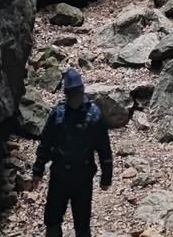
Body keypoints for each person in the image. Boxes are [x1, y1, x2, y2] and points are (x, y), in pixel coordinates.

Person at [32, 68, 112, 237]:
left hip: (83, 178)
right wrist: (38, 170)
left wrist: (106, 176)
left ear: (82, 93)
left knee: (82, 223)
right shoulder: (58, 114)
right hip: (59, 176)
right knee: (52, 219)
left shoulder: (94, 116)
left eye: (76, 95)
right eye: (70, 96)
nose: (74, 100)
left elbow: (104, 149)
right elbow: (46, 143)